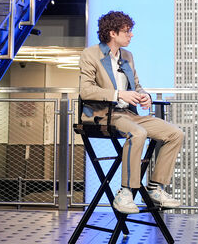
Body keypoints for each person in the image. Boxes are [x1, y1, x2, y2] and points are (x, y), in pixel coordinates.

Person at [79, 11, 185, 214]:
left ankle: (155, 187)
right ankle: (126, 192)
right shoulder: (90, 54)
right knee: (138, 133)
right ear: (112, 33)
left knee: (175, 134)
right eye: (127, 31)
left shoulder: (127, 56)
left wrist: (144, 96)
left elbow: (136, 86)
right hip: (103, 114)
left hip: (128, 114)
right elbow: (86, 90)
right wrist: (119, 94)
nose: (131, 35)